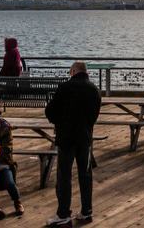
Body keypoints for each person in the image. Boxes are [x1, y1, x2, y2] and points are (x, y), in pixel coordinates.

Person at [45, 61, 101, 226]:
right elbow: (94, 116)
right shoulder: (94, 90)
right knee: (85, 175)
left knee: (64, 176)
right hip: (85, 138)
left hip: (67, 138)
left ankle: (63, 213)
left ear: (74, 71)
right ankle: (86, 211)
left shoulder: (65, 88)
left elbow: (50, 111)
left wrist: (60, 122)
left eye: (70, 71)